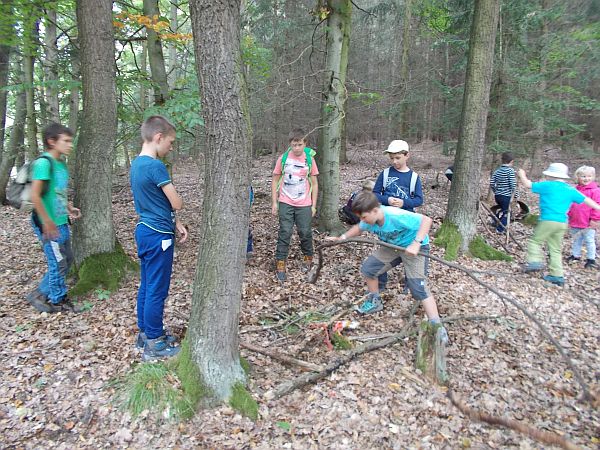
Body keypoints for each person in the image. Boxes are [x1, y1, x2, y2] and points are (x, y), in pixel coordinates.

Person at [327, 191, 447, 341]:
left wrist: (416, 243)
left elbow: (426, 220)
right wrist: (342, 238)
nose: (362, 220)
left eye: (364, 217)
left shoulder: (394, 215)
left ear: (375, 210)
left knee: (418, 288)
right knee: (369, 269)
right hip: (392, 247)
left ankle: (436, 325)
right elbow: (359, 228)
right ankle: (375, 301)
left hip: (415, 247)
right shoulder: (369, 219)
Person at [130, 115, 188, 361]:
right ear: (158, 137)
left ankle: (145, 334)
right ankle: (155, 342)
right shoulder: (155, 166)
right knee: (157, 288)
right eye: (170, 142)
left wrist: (176, 222)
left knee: (147, 284)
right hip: (158, 235)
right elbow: (175, 202)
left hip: (145, 230)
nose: (171, 148)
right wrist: (177, 208)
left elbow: (155, 201)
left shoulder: (136, 164)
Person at [26, 123, 82, 313]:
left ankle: (40, 294)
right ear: (51, 141)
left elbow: (58, 192)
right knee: (58, 262)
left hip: (61, 221)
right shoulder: (43, 163)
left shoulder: (61, 164)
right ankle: (58, 300)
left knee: (67, 259)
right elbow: (35, 195)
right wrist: (47, 222)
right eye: (66, 141)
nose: (70, 145)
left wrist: (69, 208)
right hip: (47, 224)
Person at [517, 163, 600, 286]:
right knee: (555, 249)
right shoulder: (570, 189)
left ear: (550, 175)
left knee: (535, 241)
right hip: (562, 223)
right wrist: (598, 208)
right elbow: (587, 200)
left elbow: (528, 184)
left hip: (547, 220)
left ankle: (535, 261)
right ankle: (557, 275)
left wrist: (522, 174)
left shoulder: (546, 185)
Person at [271, 129, 319, 282]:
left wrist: (313, 205)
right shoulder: (283, 159)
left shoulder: (309, 160)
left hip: (304, 202)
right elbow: (275, 180)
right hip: (285, 201)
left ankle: (308, 257)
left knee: (305, 232)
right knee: (285, 231)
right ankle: (280, 263)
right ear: (290, 144)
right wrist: (274, 202)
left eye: (300, 145)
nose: (297, 148)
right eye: (294, 145)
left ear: (305, 144)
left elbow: (314, 183)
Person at [372, 140, 423, 213]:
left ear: (407, 155)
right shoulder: (385, 173)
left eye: (397, 158)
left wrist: (403, 203)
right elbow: (375, 194)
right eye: (391, 158)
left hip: (406, 214)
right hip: (386, 213)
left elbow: (419, 200)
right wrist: (387, 200)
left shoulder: (414, 177)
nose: (394, 161)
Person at [566, 166, 600, 269]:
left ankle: (591, 259)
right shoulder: (575, 190)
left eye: (589, 176)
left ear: (593, 177)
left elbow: (597, 206)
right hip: (576, 220)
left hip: (588, 221)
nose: (586, 178)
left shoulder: (595, 191)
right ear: (578, 177)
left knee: (589, 240)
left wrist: (595, 219)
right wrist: (569, 215)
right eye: (583, 176)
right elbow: (571, 204)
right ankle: (575, 255)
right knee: (576, 239)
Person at [490, 152, 517, 233]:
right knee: (507, 213)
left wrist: (496, 191)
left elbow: (492, 183)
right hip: (506, 196)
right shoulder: (510, 171)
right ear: (511, 161)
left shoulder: (497, 171)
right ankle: (500, 229)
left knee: (503, 209)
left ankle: (495, 221)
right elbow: (513, 185)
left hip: (498, 196)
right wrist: (516, 195)